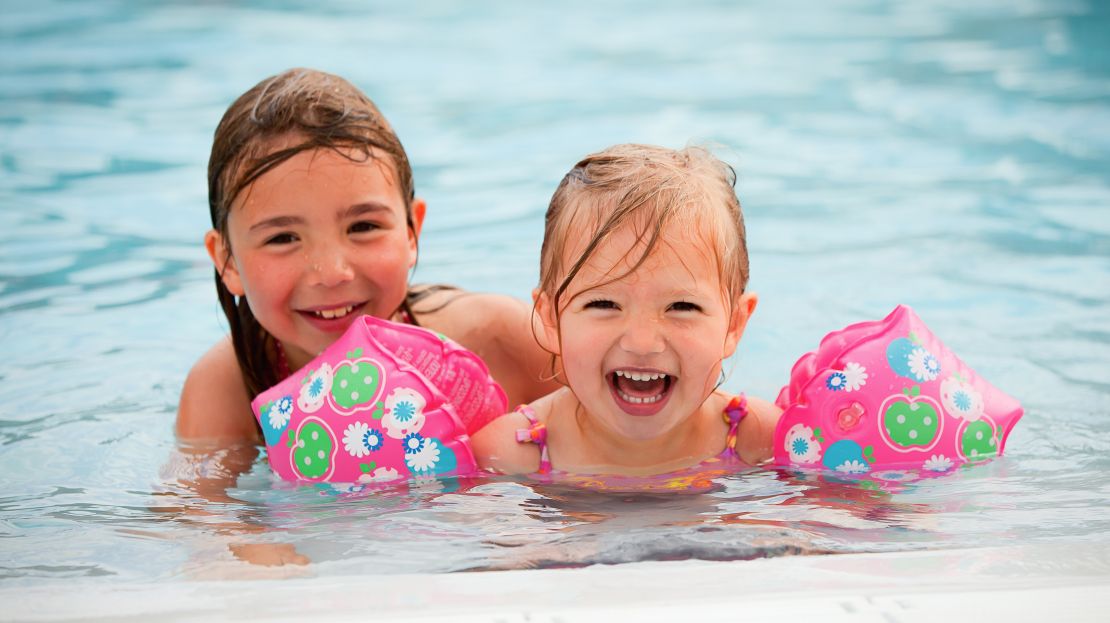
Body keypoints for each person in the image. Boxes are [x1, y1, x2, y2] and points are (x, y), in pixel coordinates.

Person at [177, 67, 558, 445]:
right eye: (283, 238)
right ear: (226, 260)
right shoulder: (226, 389)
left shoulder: (500, 341)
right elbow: (194, 507)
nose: (331, 273)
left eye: (363, 227)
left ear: (411, 231)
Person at [473, 144, 782, 476]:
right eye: (604, 304)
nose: (642, 342)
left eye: (681, 306)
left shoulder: (764, 443)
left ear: (734, 325)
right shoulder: (509, 456)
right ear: (550, 319)